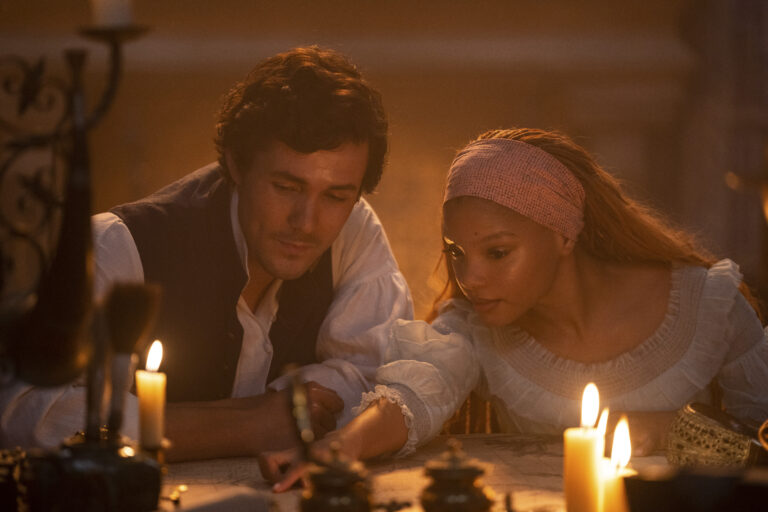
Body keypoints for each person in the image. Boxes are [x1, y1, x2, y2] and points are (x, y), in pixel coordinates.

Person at [261, 127, 768, 491]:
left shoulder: (708, 305)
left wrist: (668, 428)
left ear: (564, 235)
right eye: (457, 253)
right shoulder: (474, 327)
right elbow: (412, 395)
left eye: (498, 252)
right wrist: (340, 449)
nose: (471, 278)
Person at [0, 46, 413, 461]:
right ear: (236, 164)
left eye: (336, 196)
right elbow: (27, 417)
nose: (306, 221)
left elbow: (382, 379)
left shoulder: (354, 229)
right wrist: (246, 425)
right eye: (286, 187)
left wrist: (275, 412)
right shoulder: (119, 246)